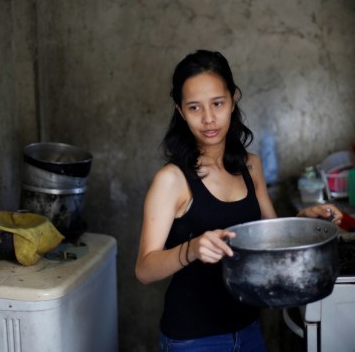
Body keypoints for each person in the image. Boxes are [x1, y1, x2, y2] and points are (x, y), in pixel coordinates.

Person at [135, 50, 343, 352]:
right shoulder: (172, 180)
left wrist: (306, 222)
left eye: (217, 103)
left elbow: (272, 237)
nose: (208, 119)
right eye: (194, 108)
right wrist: (192, 249)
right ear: (180, 111)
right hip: (193, 339)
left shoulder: (250, 166)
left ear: (233, 99)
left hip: (248, 330)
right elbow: (144, 269)